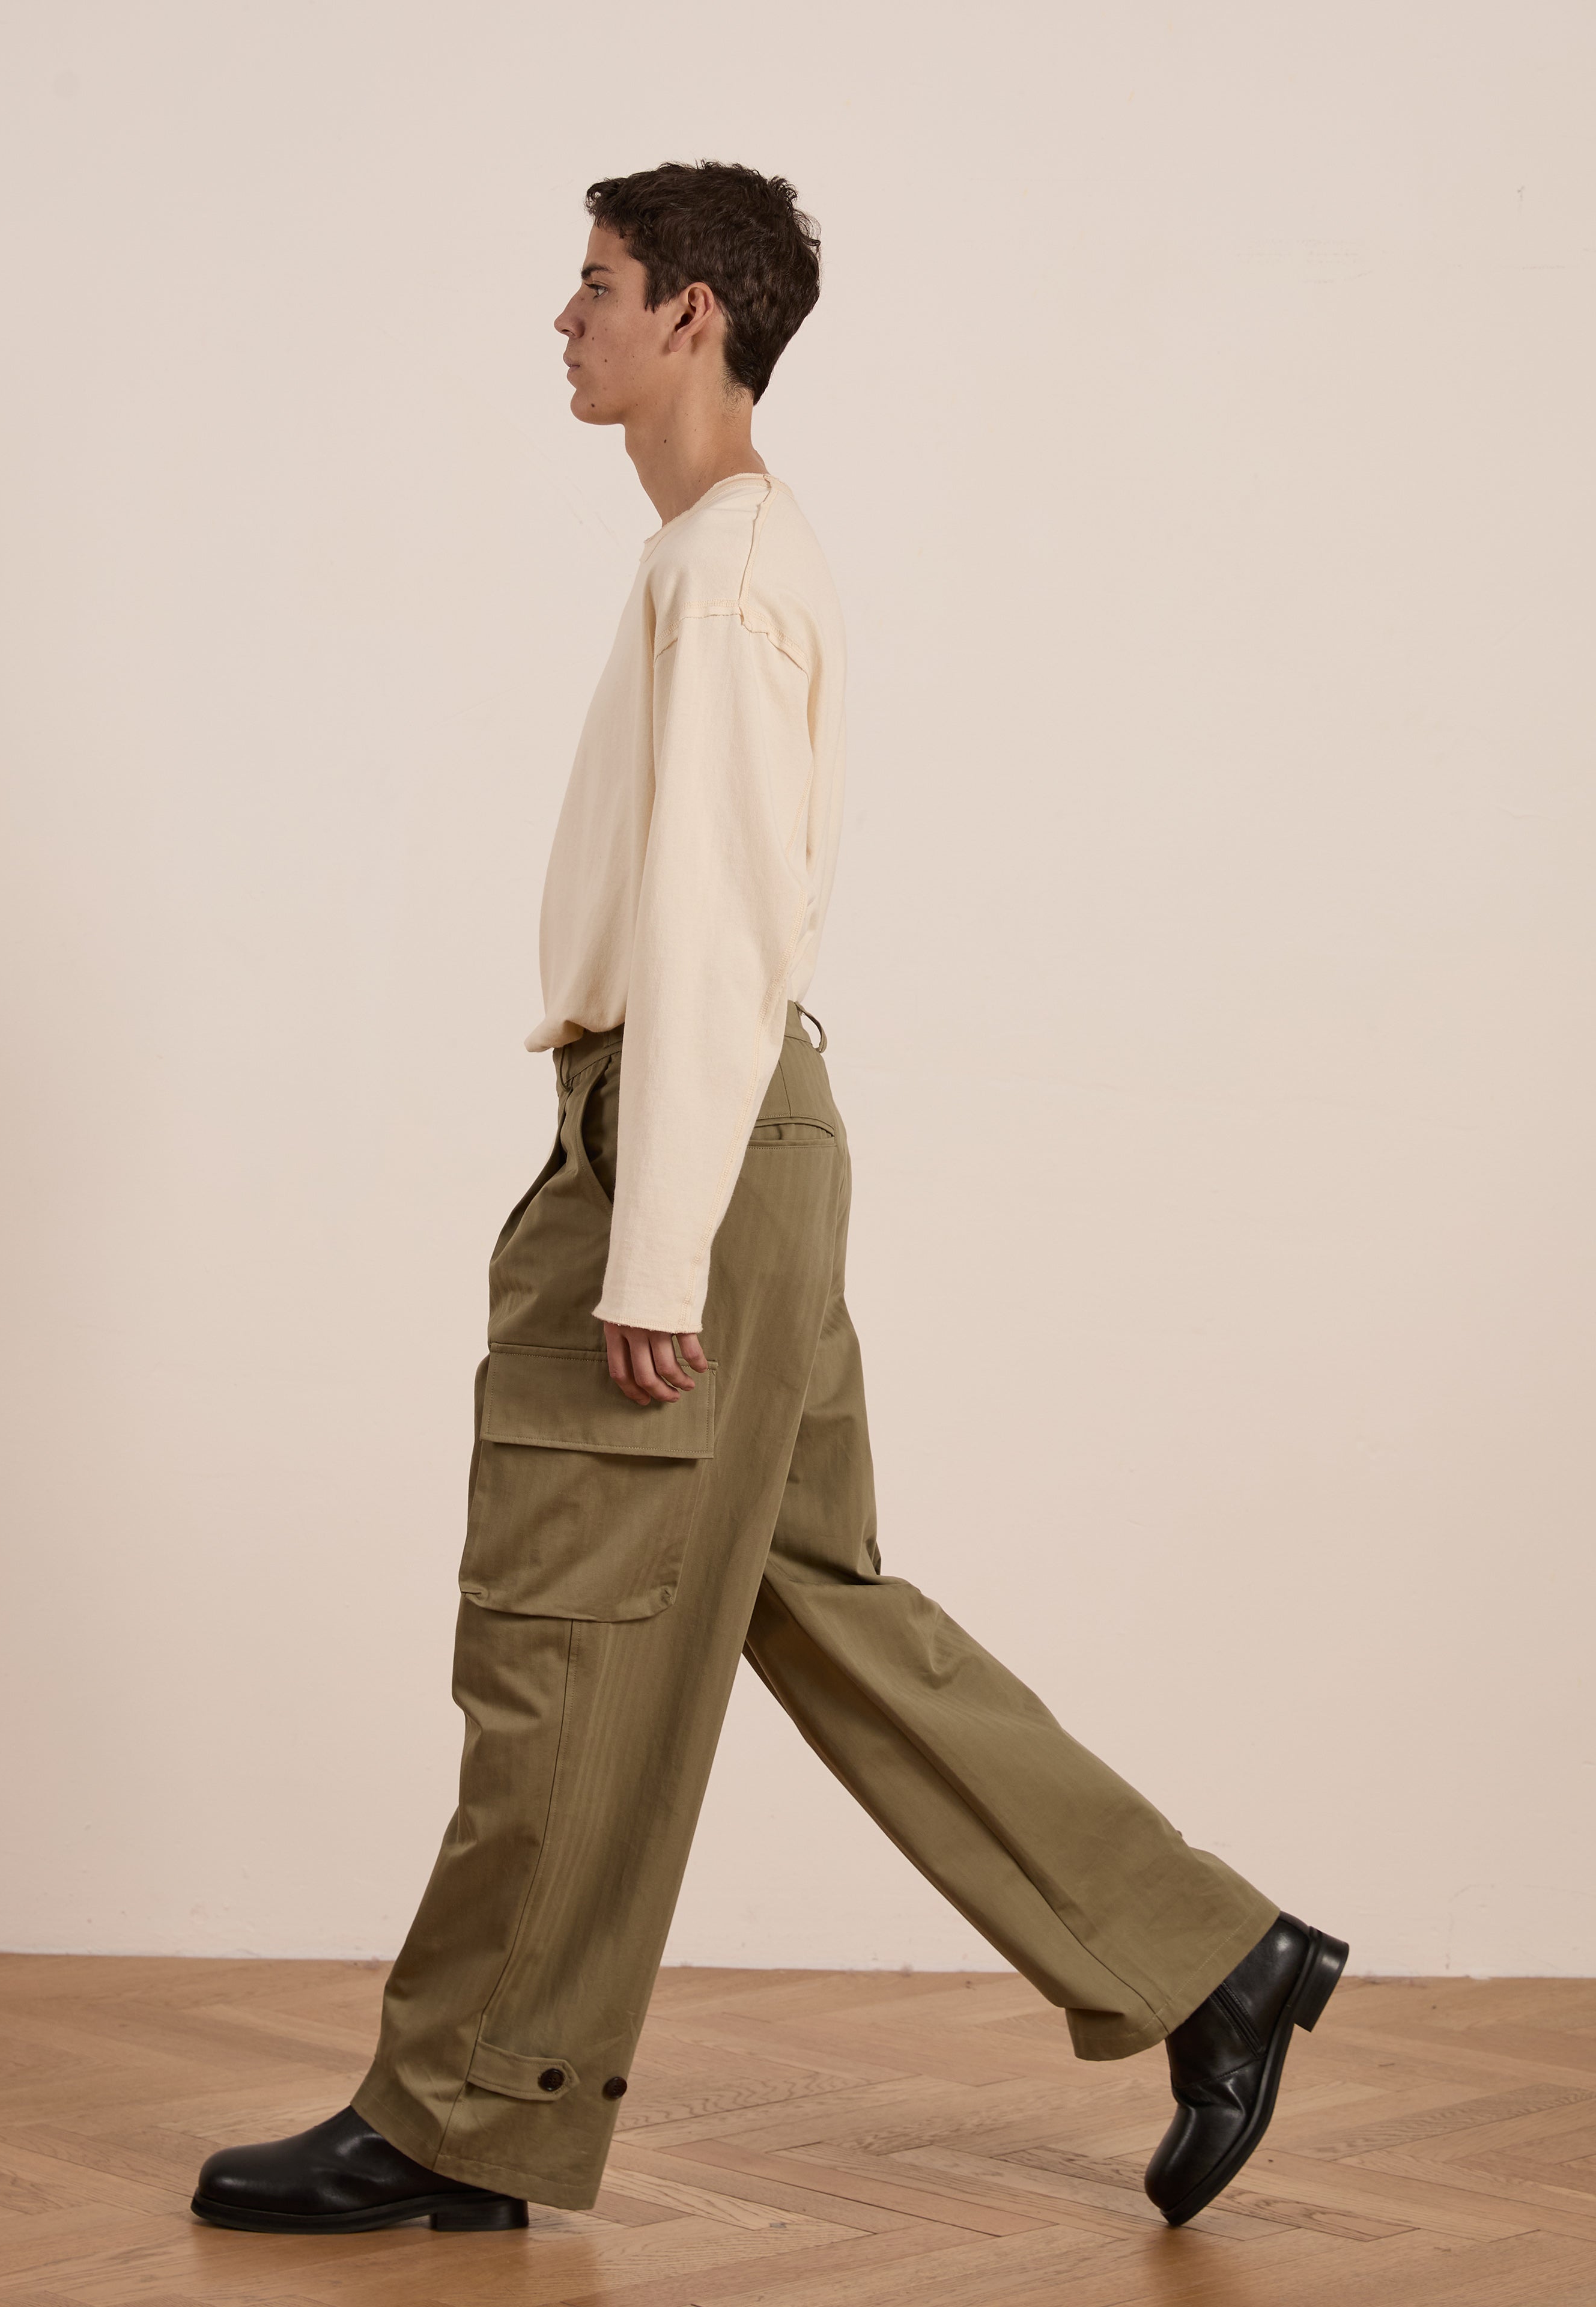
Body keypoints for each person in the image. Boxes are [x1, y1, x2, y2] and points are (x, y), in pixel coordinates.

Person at [190, 159, 1345, 2243]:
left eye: (599, 282)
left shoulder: (723, 566)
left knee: (560, 1636)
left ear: (697, 316)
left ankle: (461, 2114)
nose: (566, 317)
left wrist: (650, 1243)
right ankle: (1209, 1957)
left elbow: (711, 920)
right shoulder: (732, 554)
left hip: (690, 1140)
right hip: (746, 1139)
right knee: (816, 1602)